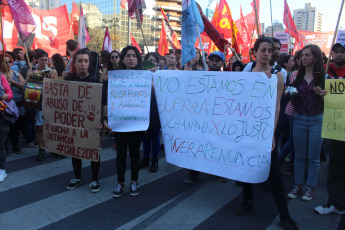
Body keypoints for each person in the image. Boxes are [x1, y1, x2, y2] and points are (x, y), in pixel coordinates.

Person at [235, 37, 298, 230]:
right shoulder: (247, 74)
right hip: (246, 128)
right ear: (254, 52)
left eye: (269, 50)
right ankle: (247, 200)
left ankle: (285, 216)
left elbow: (277, 106)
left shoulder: (277, 76)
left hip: (264, 130)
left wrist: (271, 132)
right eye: (263, 50)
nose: (267, 54)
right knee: (245, 167)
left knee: (274, 177)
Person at [286, 44, 325, 202]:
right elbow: (289, 95)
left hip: (317, 119)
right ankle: (297, 185)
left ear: (315, 57)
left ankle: (310, 188)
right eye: (302, 55)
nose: (303, 58)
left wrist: (324, 95)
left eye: (307, 55)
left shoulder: (325, 77)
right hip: (299, 118)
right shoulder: (296, 75)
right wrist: (290, 92)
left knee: (314, 157)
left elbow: (333, 102)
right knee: (300, 155)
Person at [184, 51, 227, 184]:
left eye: (217, 60)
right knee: (197, 145)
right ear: (208, 61)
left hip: (218, 119)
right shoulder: (200, 75)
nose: (214, 63)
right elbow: (186, 80)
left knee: (217, 145)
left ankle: (217, 171)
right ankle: (193, 172)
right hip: (201, 117)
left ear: (222, 63)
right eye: (212, 60)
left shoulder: (228, 79)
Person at [65, 48, 103, 193]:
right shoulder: (68, 80)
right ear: (74, 63)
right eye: (80, 61)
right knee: (75, 151)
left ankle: (94, 179)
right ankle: (78, 177)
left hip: (91, 123)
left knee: (93, 151)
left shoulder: (95, 81)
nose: (83, 64)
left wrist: (101, 122)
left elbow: (100, 104)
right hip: (74, 123)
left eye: (86, 61)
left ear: (89, 63)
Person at [314, 42, 345, 215]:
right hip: (335, 123)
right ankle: (337, 203)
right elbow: (316, 89)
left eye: (342, 52)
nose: (339, 55)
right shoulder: (325, 71)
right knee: (336, 164)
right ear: (332, 54)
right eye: (336, 52)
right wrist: (320, 91)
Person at [112, 46, 145, 198]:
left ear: (138, 59)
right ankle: (120, 182)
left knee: (134, 153)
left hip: (137, 123)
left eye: (134, 55)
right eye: (128, 55)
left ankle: (134, 180)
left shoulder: (145, 77)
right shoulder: (114, 77)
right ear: (123, 59)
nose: (131, 58)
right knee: (120, 154)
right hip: (120, 123)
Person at [26, 50, 58, 161]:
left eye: (46, 59)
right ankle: (41, 148)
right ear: (36, 60)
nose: (44, 62)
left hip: (51, 103)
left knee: (51, 126)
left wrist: (51, 80)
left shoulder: (52, 71)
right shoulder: (32, 70)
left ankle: (53, 147)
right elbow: (27, 85)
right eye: (41, 60)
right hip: (38, 103)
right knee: (39, 127)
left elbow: (57, 88)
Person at [3, 53, 26, 154]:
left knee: (15, 128)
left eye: (9, 62)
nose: (8, 64)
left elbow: (23, 85)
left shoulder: (16, 73)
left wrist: (13, 81)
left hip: (17, 105)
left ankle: (15, 146)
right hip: (3, 106)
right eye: (5, 62)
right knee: (4, 129)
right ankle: (4, 148)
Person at [142, 52, 161, 172]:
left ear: (157, 63)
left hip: (156, 110)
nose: (152, 62)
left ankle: (154, 160)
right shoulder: (140, 75)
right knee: (145, 136)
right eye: (149, 60)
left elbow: (158, 95)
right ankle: (145, 158)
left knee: (154, 136)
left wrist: (151, 79)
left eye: (154, 60)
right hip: (143, 109)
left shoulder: (161, 75)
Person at [0, 65, 13, 182]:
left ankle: (1, 169)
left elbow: (10, 94)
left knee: (0, 144)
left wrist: (4, 96)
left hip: (1, 116)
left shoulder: (1, 78)